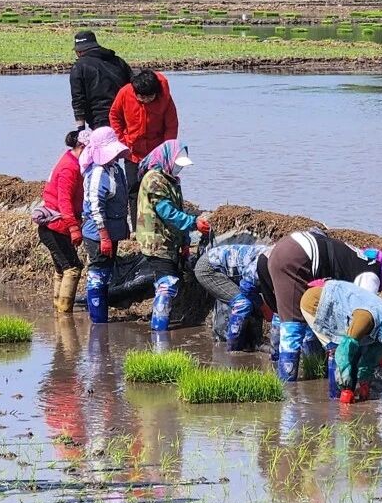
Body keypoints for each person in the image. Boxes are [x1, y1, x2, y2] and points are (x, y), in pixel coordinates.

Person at [256, 231, 382, 380]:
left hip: (288, 247)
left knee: (297, 314)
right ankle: (288, 386)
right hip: (298, 256)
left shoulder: (365, 260)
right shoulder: (370, 277)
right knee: (293, 324)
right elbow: (362, 315)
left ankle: (303, 368)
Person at [133, 139, 210, 330]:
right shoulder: (154, 180)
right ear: (167, 158)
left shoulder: (172, 180)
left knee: (168, 281)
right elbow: (167, 212)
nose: (179, 168)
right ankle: (159, 330)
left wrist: (185, 242)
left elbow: (178, 209)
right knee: (167, 283)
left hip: (169, 241)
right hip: (156, 241)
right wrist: (194, 222)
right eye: (177, 164)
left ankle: (161, 325)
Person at [299, 279, 382, 404]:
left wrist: (365, 384)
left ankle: (346, 390)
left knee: (356, 349)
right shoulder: (366, 318)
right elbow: (344, 352)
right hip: (315, 302)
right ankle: (336, 397)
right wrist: (347, 388)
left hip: (343, 309)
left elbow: (370, 360)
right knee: (336, 349)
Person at [110, 69, 178, 227]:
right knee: (134, 190)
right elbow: (114, 116)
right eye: (141, 97)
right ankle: (137, 228)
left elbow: (171, 126)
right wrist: (122, 141)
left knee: (158, 190)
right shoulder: (125, 93)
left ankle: (158, 226)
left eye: (149, 97)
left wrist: (166, 153)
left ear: (156, 92)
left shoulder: (165, 98)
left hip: (156, 154)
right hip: (132, 151)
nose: (145, 100)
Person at [79, 127, 131, 323]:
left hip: (112, 231)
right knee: (98, 274)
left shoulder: (116, 170)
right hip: (97, 234)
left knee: (106, 274)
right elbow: (95, 206)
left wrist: (125, 226)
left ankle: (101, 318)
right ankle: (98, 322)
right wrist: (104, 236)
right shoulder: (98, 173)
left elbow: (122, 201)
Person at [35, 129, 86, 314]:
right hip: (56, 227)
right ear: (82, 147)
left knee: (61, 269)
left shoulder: (69, 160)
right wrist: (74, 228)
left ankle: (58, 311)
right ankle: (65, 315)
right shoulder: (69, 168)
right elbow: (64, 201)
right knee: (73, 268)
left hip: (53, 226)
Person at [194, 239, 272, 350]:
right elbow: (246, 287)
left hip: (231, 271)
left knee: (254, 300)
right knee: (243, 303)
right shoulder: (262, 263)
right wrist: (264, 307)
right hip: (209, 268)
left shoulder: (278, 264)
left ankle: (254, 342)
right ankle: (233, 349)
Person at [70, 30, 132, 130]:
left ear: (79, 52)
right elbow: (133, 87)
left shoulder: (79, 66)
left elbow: (78, 100)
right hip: (125, 117)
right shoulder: (118, 61)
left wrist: (80, 130)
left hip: (100, 120)